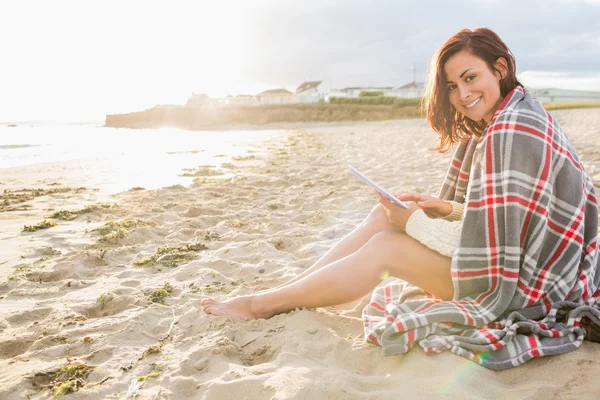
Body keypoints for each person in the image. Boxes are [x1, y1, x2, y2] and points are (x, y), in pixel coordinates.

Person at [201, 28, 600, 369]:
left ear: (499, 69)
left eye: (470, 77)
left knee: (386, 247)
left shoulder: (511, 131)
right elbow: (509, 219)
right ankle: (290, 290)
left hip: (525, 288)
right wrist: (446, 209)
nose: (462, 94)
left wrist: (412, 222)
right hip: (526, 264)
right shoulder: (518, 111)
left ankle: (261, 305)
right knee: (383, 214)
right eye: (452, 86)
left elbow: (495, 252)